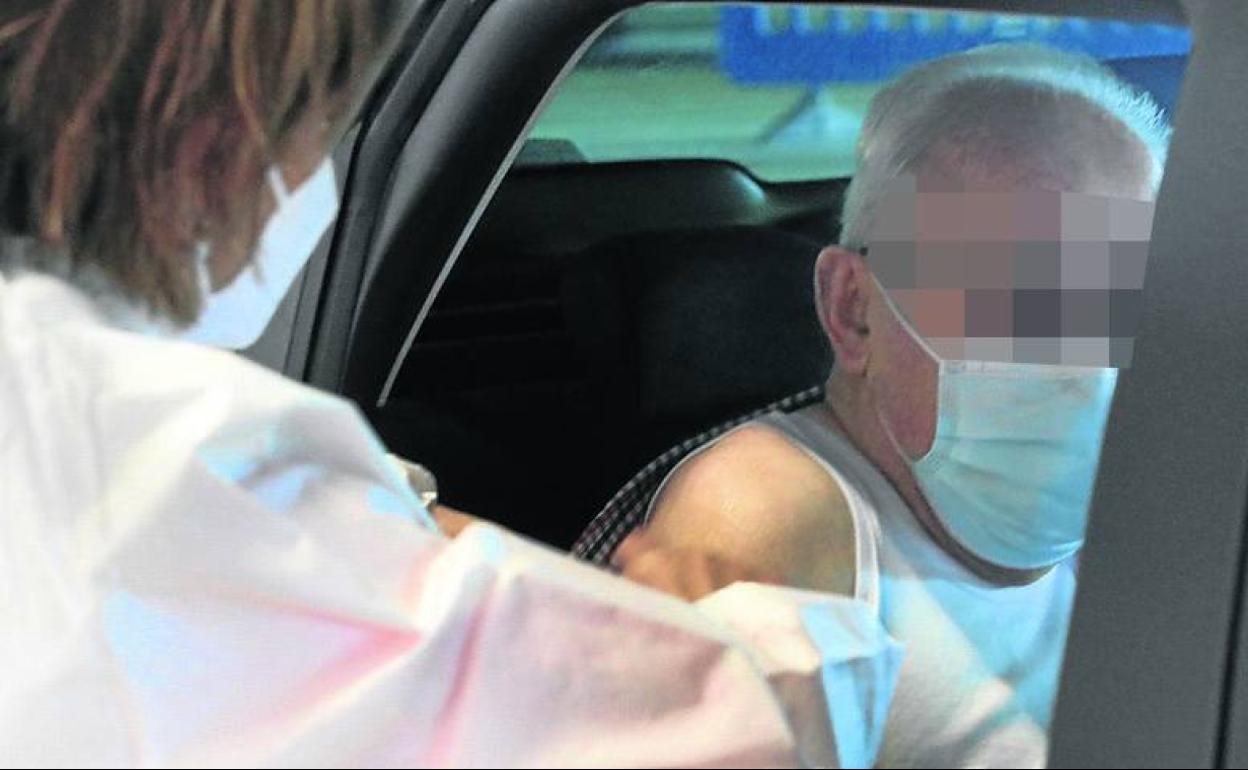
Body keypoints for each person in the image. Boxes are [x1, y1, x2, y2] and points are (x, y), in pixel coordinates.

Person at [0, 2, 901, 767]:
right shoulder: (194, 461)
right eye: (319, 138)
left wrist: (399, 515)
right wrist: (742, 630)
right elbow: (728, 734)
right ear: (215, 153)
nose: (318, 188)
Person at [627, 44, 1168, 768]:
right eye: (1006, 292)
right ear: (854, 311)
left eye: (1108, 300)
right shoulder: (771, 509)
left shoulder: (1148, 498)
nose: (1075, 363)